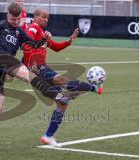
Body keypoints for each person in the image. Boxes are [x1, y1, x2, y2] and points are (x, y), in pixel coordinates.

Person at [0, 2, 75, 155]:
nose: (14, 22)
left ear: (20, 18)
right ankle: (59, 96)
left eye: (17, 19)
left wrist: (45, 38)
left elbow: (33, 44)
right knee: (29, 75)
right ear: (8, 15)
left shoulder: (20, 32)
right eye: (12, 19)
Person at [22, 9, 104, 147]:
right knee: (61, 80)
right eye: (43, 17)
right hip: (36, 68)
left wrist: (69, 41)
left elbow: (55, 47)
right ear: (35, 17)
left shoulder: (42, 33)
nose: (46, 20)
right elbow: (26, 42)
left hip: (41, 67)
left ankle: (49, 136)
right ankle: (93, 88)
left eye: (47, 18)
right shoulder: (34, 28)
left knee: (62, 103)